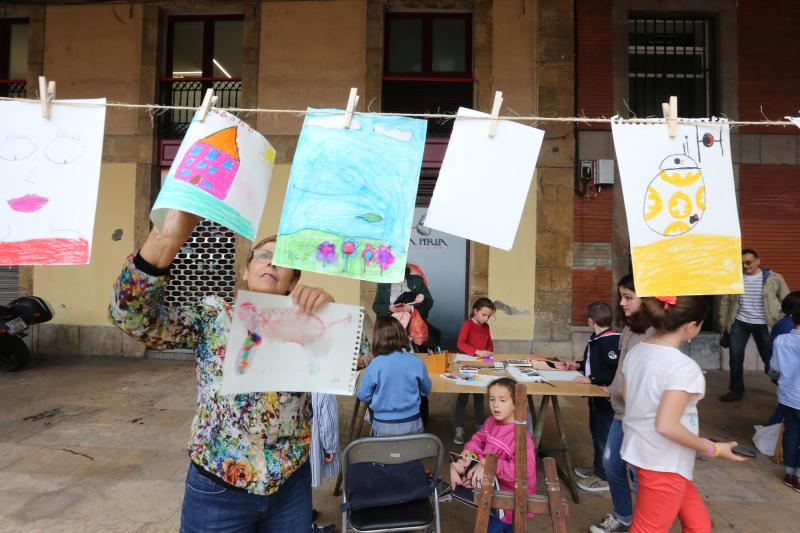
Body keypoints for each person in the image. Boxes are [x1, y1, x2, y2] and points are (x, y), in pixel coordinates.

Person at [109, 210, 335, 532]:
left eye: (282, 261)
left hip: (289, 484)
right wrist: (161, 244)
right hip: (220, 485)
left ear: (293, 281)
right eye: (264, 256)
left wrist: (331, 315)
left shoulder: (306, 325)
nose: (271, 263)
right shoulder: (214, 316)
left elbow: (362, 356)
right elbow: (129, 316)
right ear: (245, 270)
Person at [622, 295, 748, 533]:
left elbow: (632, 399)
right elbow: (666, 425)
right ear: (691, 327)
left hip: (644, 452)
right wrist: (715, 448)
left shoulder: (637, 352)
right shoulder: (683, 367)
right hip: (664, 461)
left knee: (698, 524)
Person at [589, 275, 652, 533]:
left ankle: (647, 523)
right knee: (612, 464)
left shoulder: (654, 333)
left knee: (641, 475)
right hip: (621, 411)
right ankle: (624, 516)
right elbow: (622, 369)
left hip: (641, 416)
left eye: (628, 297)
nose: (621, 302)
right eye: (621, 296)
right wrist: (613, 389)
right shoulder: (630, 327)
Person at [450, 378, 536, 533]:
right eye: (491, 399)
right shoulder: (490, 422)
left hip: (512, 502)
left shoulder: (521, 437)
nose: (495, 405)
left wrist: (488, 465)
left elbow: (525, 471)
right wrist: (470, 450)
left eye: (502, 400)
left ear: (515, 403)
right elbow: (479, 439)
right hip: (492, 495)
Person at [719, 249, 790, 402]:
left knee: (770, 359)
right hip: (739, 322)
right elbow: (726, 301)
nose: (745, 266)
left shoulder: (774, 278)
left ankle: (785, 389)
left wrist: (783, 319)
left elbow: (787, 300)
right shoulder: (735, 279)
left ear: (758, 261)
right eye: (742, 263)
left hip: (765, 324)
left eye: (748, 262)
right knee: (735, 358)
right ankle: (736, 390)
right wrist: (723, 322)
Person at [572, 302, 620, 493]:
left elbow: (614, 372)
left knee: (603, 435)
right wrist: (576, 365)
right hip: (595, 396)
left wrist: (590, 378)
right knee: (595, 430)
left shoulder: (611, 341)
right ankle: (597, 467)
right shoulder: (597, 338)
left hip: (606, 398)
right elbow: (593, 363)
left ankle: (604, 477)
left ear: (590, 321)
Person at [357, 316, 432, 436]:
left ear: (378, 338)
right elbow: (426, 390)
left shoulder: (375, 364)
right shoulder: (416, 361)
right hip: (413, 424)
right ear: (402, 335)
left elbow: (363, 395)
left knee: (386, 453)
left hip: (383, 426)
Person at [453, 297, 496, 444]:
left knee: (479, 396)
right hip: (467, 365)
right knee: (463, 397)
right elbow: (460, 343)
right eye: (483, 314)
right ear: (475, 311)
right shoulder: (468, 324)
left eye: (489, 316)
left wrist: (489, 352)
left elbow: (489, 343)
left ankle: (480, 427)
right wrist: (477, 352)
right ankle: (459, 428)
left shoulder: (486, 327)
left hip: (481, 365)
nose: (486, 318)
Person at [770, 301, 800, 492]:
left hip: (787, 395)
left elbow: (775, 368)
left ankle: (789, 473)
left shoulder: (781, 340)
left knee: (791, 433)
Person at [765, 292, 800, 425]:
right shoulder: (787, 326)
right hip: (788, 378)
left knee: (789, 417)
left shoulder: (785, 323)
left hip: (784, 379)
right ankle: (771, 428)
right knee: (787, 412)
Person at [309, 393, 339, 533]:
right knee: (301, 483)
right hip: (306, 448)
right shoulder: (324, 389)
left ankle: (305, 514)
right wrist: (330, 448)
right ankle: (307, 524)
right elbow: (327, 423)